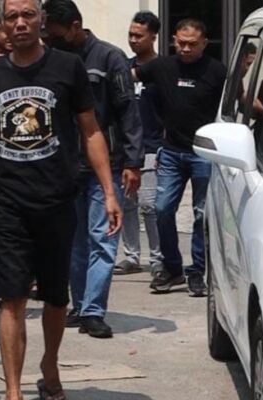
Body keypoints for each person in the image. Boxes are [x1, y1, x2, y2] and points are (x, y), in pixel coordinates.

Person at [0, 0, 122, 398]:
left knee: (56, 296)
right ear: (2, 26)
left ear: (41, 19)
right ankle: (13, 390)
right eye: (12, 17)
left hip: (56, 199)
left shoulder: (68, 67)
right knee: (12, 297)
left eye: (28, 15)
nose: (20, 23)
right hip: (6, 202)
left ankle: (50, 364)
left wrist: (109, 192)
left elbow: (90, 130)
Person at [43, 0, 142, 339]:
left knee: (103, 238)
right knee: (74, 240)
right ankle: (81, 304)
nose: (51, 41)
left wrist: (132, 161)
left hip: (106, 165)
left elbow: (128, 111)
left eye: (56, 35)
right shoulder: (53, 59)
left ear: (75, 26)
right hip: (66, 165)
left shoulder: (109, 58)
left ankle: (93, 311)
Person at [132, 18, 227, 297]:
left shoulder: (217, 71)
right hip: (171, 151)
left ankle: (197, 271)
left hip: (205, 153)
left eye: (192, 44)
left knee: (201, 215)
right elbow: (127, 77)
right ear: (173, 40)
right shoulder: (161, 66)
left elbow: (236, 103)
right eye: (181, 43)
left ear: (204, 44)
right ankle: (172, 268)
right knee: (161, 209)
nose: (185, 49)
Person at [115, 11, 164, 276]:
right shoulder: (123, 68)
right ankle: (131, 256)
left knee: (150, 205)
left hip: (153, 145)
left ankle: (158, 258)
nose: (133, 40)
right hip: (126, 148)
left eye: (139, 36)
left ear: (153, 37)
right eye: (130, 35)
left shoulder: (163, 69)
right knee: (128, 204)